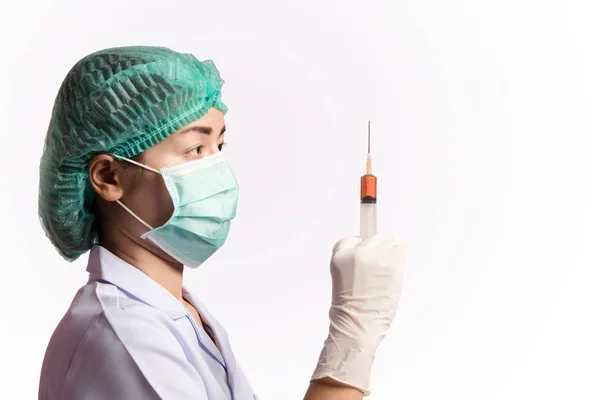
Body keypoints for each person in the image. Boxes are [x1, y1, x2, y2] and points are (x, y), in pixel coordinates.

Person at [37, 46, 408, 400]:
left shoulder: (178, 312)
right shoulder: (124, 337)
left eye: (219, 147)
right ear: (108, 177)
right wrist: (351, 340)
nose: (216, 171)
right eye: (195, 149)